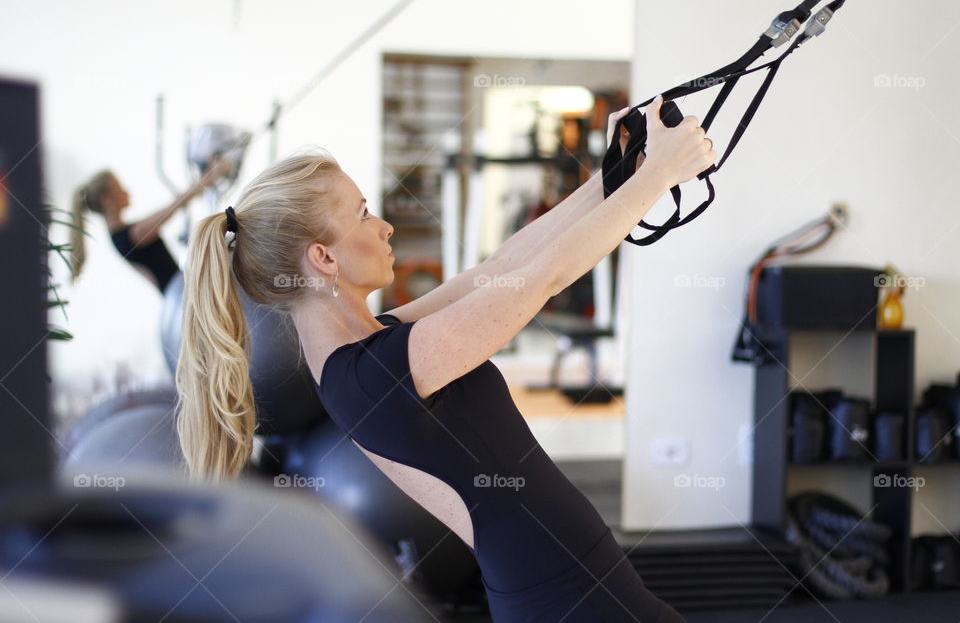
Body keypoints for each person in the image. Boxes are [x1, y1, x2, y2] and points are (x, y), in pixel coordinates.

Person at [175, 95, 713, 622]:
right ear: (323, 258)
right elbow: (542, 278)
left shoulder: (375, 348)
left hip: (575, 588)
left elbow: (502, 266)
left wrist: (612, 177)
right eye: (363, 214)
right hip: (570, 602)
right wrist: (657, 178)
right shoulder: (375, 374)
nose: (384, 227)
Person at [69, 158, 233, 292]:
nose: (126, 191)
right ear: (107, 200)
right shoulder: (129, 236)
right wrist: (209, 177)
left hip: (180, 292)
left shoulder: (125, 233)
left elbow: (174, 205)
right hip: (183, 295)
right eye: (119, 187)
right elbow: (174, 207)